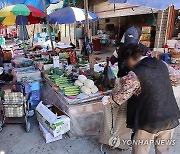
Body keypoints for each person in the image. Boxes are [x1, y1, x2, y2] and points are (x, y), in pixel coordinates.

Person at [109, 43, 180, 154]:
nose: (127, 64)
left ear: (131, 58)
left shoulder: (135, 73)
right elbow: (177, 79)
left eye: (126, 61)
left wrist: (108, 99)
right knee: (163, 150)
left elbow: (121, 97)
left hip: (148, 120)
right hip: (169, 116)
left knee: (140, 150)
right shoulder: (162, 64)